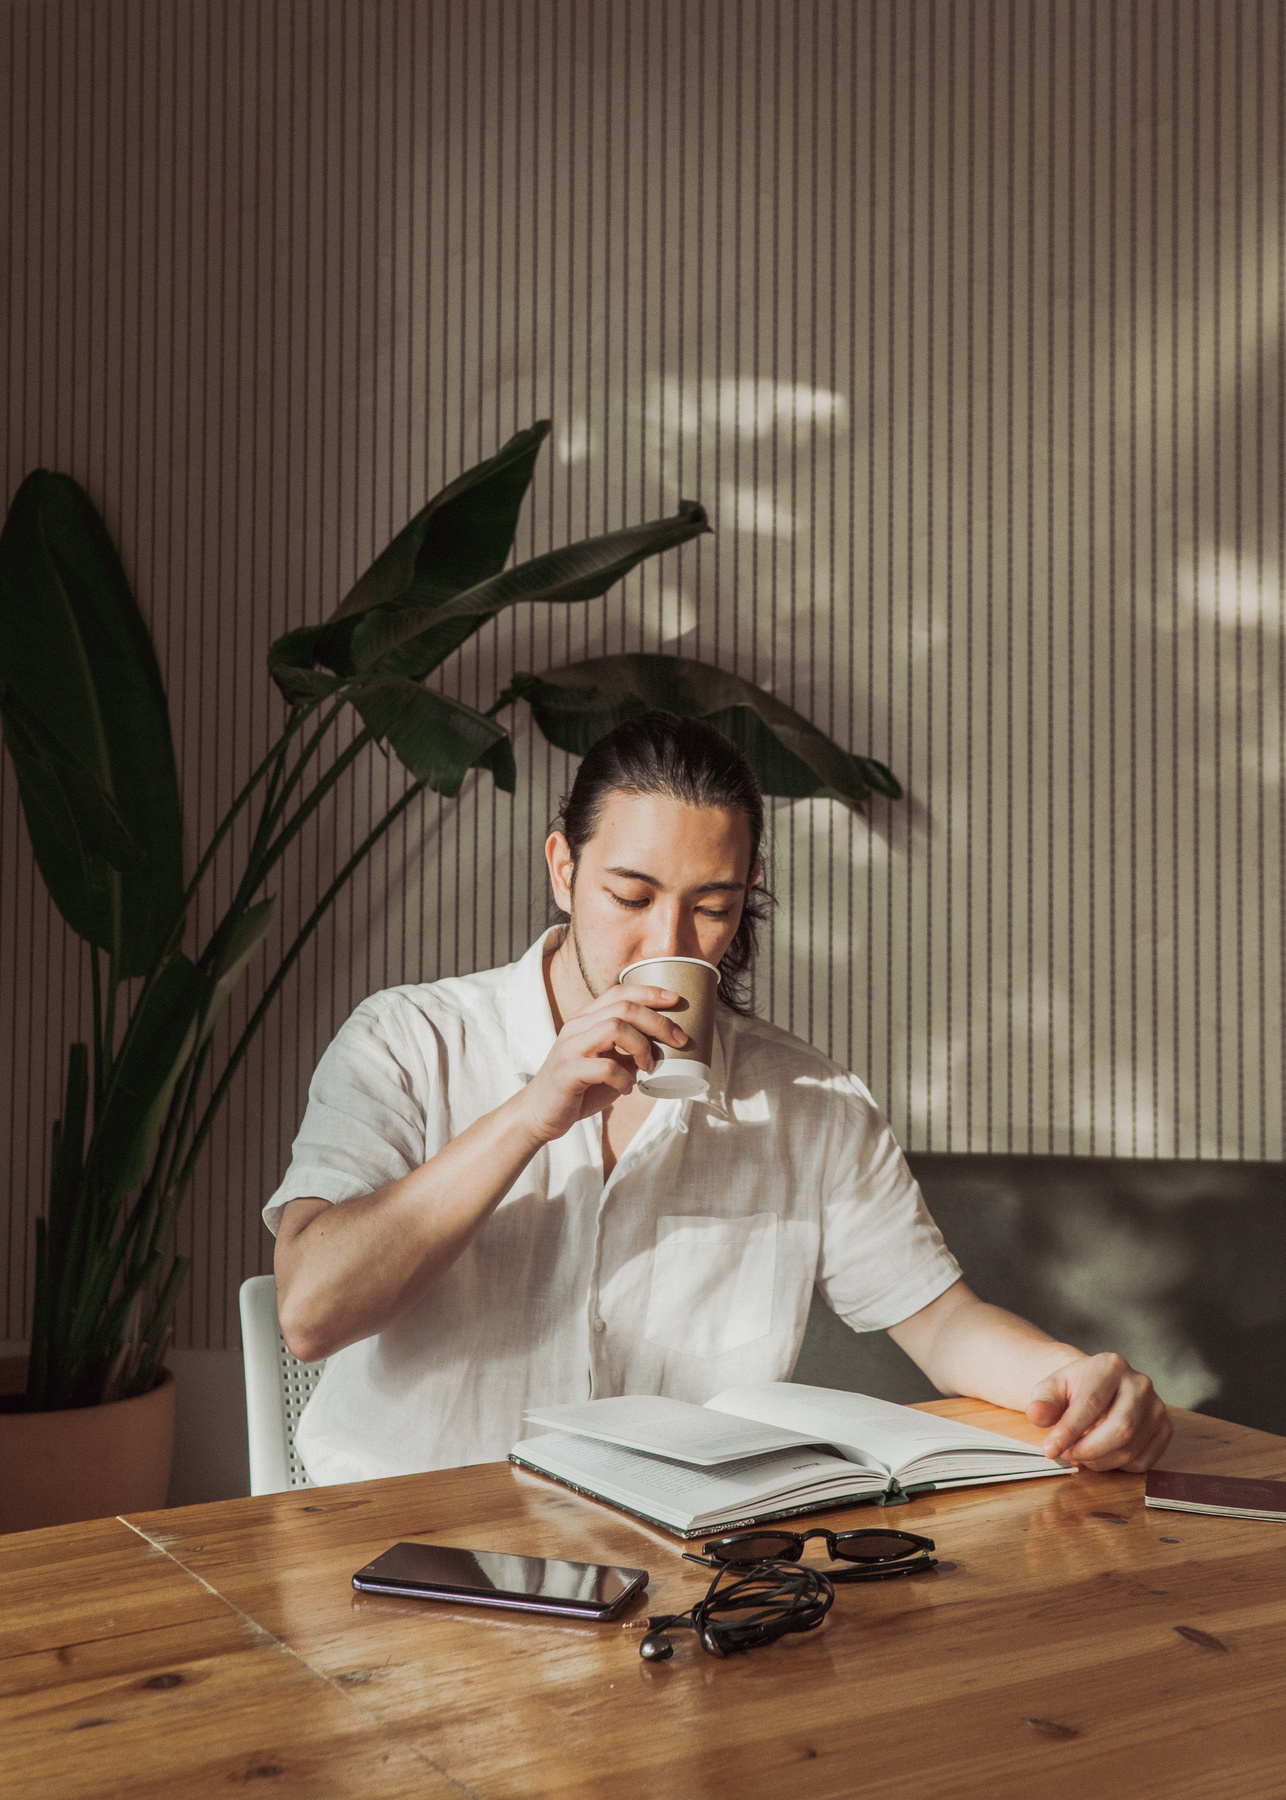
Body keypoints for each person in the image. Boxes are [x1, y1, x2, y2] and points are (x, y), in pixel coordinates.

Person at [268, 711, 1172, 1485]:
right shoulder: (407, 1039)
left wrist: (1078, 1378)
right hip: (408, 1555)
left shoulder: (808, 1100)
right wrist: (529, 1116)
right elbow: (312, 1314)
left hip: (672, 1566)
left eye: (714, 905)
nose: (670, 939)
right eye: (631, 893)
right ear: (563, 871)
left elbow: (941, 1321)